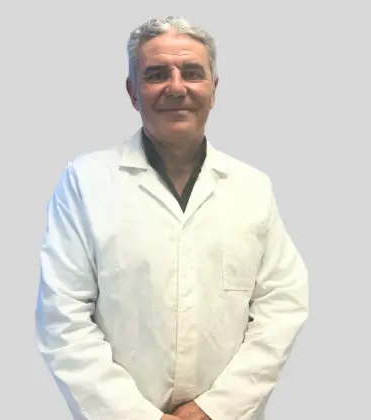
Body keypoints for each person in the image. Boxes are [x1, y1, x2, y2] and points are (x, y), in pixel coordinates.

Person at [35, 15, 309, 420]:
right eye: (157, 74)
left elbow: (282, 304)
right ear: (133, 92)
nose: (176, 87)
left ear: (213, 90)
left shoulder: (252, 187)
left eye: (192, 73)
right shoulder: (85, 182)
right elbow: (63, 317)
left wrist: (214, 408)